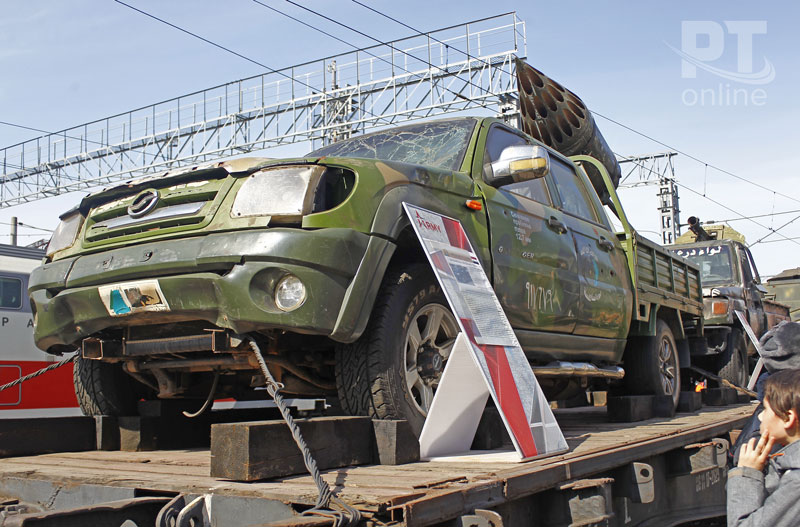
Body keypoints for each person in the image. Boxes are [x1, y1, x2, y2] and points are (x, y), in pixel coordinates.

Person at [727, 368, 800, 526]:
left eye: (765, 409)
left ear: (788, 418)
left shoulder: (796, 481)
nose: (760, 416)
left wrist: (747, 474)